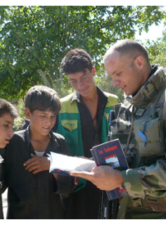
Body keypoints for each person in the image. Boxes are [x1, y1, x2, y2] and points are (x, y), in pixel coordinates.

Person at [70, 39, 166, 219]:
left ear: (139, 63)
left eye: (118, 73)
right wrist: (91, 165)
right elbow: (122, 159)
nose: (114, 82)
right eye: (111, 76)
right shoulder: (128, 107)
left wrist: (122, 179)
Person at [56, 49, 120, 219]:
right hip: (77, 187)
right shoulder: (61, 107)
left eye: (84, 78)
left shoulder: (114, 102)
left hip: (109, 182)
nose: (80, 85)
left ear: (93, 70)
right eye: (73, 81)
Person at [0, 85, 75, 219]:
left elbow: (67, 188)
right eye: (43, 115)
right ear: (28, 114)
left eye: (53, 116)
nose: (49, 122)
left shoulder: (60, 142)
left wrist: (53, 164)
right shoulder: (12, 143)